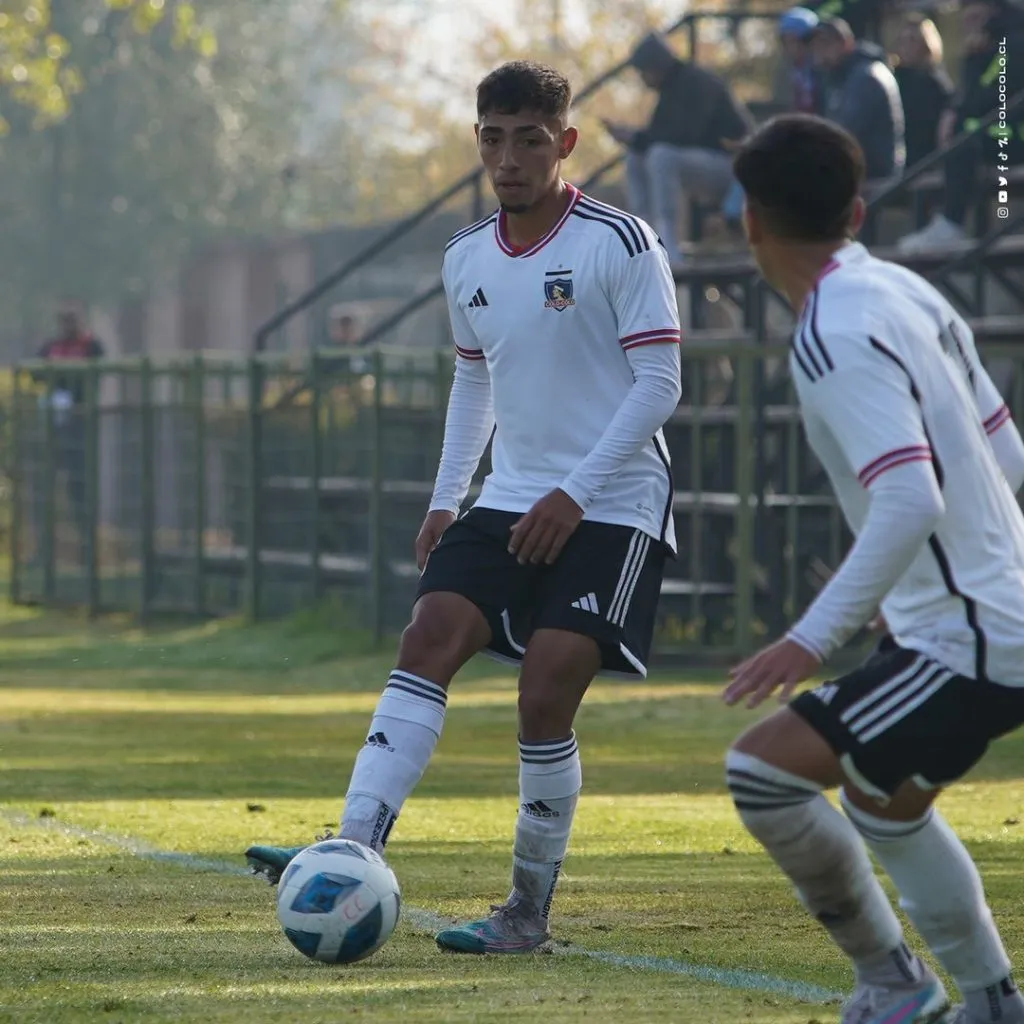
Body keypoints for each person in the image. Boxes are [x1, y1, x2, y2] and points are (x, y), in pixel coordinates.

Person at [245, 60, 682, 955]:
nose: (509, 156)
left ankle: (526, 911)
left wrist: (575, 491)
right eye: (493, 137)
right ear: (478, 141)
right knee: (428, 634)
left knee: (545, 686)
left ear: (564, 144)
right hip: (512, 493)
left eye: (529, 139)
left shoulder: (621, 241)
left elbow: (661, 382)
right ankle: (352, 845)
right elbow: (473, 379)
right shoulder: (466, 256)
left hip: (617, 499)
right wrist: (449, 498)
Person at [723, 113, 1024, 1024]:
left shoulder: (831, 333)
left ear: (749, 222)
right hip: (984, 619)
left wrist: (810, 640)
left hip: (971, 637)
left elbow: (911, 500)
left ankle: (897, 986)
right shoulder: (906, 290)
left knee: (763, 772)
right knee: (885, 807)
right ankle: (992, 1004)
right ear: (856, 210)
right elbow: (1004, 453)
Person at [606, 31, 753, 267]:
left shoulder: (698, 82)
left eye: (643, 70)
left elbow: (684, 136)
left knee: (660, 156)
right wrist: (634, 140)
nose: (642, 77)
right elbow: (658, 136)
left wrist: (636, 137)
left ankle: (667, 245)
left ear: (656, 65)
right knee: (635, 157)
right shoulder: (669, 90)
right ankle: (643, 238)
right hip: (702, 167)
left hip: (736, 173)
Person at [898, 0, 1024, 252]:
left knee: (963, 135)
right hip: (998, 133)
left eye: (976, 16)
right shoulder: (985, 48)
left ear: (993, 14)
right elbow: (969, 97)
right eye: (966, 18)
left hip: (1015, 136)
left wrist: (958, 112)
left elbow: (991, 97)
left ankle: (951, 224)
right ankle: (946, 222)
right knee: (961, 135)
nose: (969, 24)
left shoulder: (1012, 43)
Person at [35, 301, 105, 551]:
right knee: (44, 486)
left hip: (80, 427)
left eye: (72, 320)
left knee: (79, 485)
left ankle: (87, 543)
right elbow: (37, 374)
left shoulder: (91, 347)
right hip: (53, 427)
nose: (68, 326)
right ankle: (44, 546)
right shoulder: (51, 347)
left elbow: (95, 377)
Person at [811, 18, 905, 188]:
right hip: (855, 171)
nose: (820, 52)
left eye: (826, 44)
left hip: (875, 176)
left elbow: (847, 133)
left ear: (846, 43)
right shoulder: (837, 77)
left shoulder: (866, 76)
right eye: (816, 46)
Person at [893, 14, 954, 169]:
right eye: (902, 40)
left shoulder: (936, 83)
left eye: (913, 40)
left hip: (925, 160)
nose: (906, 46)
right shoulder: (894, 79)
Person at [778, 7, 824, 115]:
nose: (788, 48)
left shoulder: (822, 69)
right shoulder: (791, 70)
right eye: (785, 42)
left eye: (793, 40)